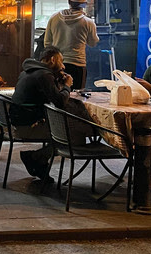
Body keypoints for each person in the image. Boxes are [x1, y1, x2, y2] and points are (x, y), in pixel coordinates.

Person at [11, 46, 94, 179]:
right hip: (28, 127)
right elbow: (60, 102)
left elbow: (52, 96)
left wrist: (58, 82)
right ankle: (36, 157)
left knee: (70, 129)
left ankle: (37, 160)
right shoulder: (44, 75)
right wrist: (67, 85)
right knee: (76, 137)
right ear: (52, 60)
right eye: (61, 61)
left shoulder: (29, 71)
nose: (63, 66)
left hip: (20, 123)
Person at [44, 0, 99, 89]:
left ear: (69, 2)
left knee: (58, 94)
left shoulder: (54, 18)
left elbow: (47, 43)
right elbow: (93, 43)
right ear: (84, 5)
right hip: (77, 65)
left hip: (57, 64)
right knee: (76, 97)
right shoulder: (88, 22)